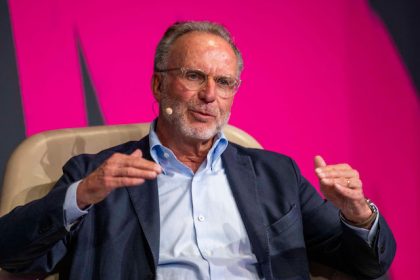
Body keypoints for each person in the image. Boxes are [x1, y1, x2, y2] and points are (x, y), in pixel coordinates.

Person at [0, 21, 395, 280]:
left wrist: (358, 213)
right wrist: (82, 195)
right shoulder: (97, 175)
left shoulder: (276, 175)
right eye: (194, 76)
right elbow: (12, 255)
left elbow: (367, 264)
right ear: (158, 85)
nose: (210, 95)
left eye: (224, 82)